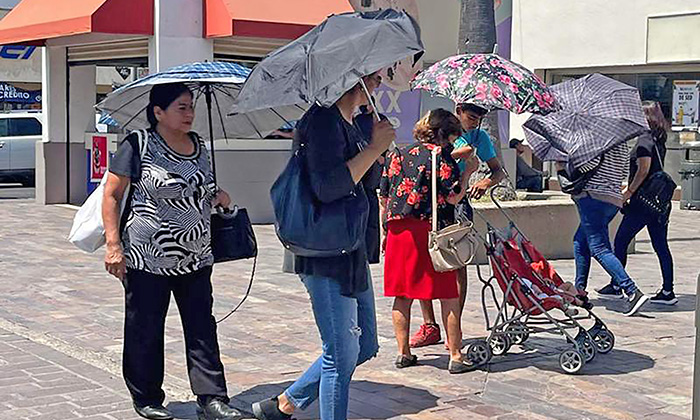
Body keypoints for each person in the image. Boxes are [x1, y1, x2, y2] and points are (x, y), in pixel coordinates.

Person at [251, 72, 395, 420]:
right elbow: (328, 187)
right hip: (324, 249)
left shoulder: (357, 122)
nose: (378, 79)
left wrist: (378, 150)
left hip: (351, 246)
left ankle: (286, 403)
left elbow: (366, 182)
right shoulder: (321, 121)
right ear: (349, 77)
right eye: (371, 73)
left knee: (365, 346)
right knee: (340, 353)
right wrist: (374, 149)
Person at [103, 83, 240, 420]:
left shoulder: (201, 146)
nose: (190, 113)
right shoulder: (139, 144)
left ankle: (212, 398)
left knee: (202, 327)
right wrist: (113, 245)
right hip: (146, 257)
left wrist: (220, 196)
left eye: (191, 107)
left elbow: (202, 190)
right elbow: (111, 195)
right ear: (158, 112)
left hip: (195, 255)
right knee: (145, 328)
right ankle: (147, 397)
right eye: (181, 107)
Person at [379, 108, 474, 374]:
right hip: (430, 231)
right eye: (453, 137)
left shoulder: (396, 153)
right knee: (448, 294)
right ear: (445, 135)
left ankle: (403, 352)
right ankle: (455, 355)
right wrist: (468, 173)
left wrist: (384, 232)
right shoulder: (440, 156)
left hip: (398, 231)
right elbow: (453, 196)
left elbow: (384, 197)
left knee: (402, 294)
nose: (454, 143)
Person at [409, 102, 505, 349]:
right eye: (471, 117)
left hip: (457, 203)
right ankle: (429, 324)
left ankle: (454, 323)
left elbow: (498, 171)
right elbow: (425, 154)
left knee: (457, 261)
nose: (474, 123)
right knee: (426, 260)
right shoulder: (439, 128)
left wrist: (485, 181)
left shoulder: (478, 137)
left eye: (478, 119)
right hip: (430, 202)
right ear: (459, 110)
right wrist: (453, 153)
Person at [597, 101, 676, 305]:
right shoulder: (658, 139)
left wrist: (629, 192)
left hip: (642, 203)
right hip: (659, 204)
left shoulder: (643, 142)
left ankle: (617, 285)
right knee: (661, 245)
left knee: (621, 241)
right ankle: (668, 291)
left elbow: (643, 170)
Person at [569, 139, 649, 316]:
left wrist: (565, 164)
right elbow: (623, 172)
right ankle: (579, 290)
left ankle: (632, 291)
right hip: (612, 199)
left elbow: (585, 166)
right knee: (580, 241)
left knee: (599, 248)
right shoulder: (621, 142)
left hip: (593, 198)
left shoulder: (594, 140)